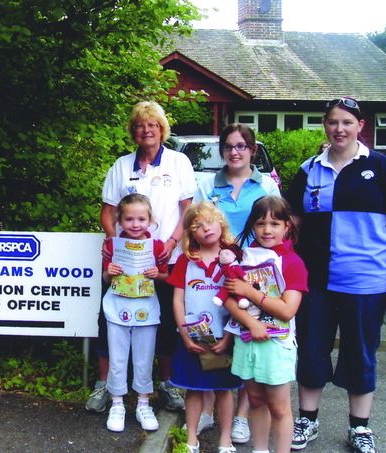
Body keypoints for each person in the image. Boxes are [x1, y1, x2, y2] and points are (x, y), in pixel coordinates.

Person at [285, 97, 386, 453]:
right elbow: (292, 220)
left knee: (361, 353)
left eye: (346, 122)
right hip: (315, 281)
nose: (339, 129)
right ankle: (307, 420)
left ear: (360, 125)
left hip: (365, 280)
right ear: (324, 126)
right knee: (311, 350)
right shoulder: (309, 168)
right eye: (332, 122)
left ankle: (360, 428)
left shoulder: (382, 167)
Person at [88, 100, 196, 414]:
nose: (146, 130)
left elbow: (186, 210)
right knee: (108, 320)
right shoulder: (121, 166)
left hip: (165, 258)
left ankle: (166, 385)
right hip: (124, 261)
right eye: (139, 125)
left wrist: (173, 240)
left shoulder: (178, 163)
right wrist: (116, 243)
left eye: (152, 125)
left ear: (162, 129)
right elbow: (107, 214)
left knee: (164, 322)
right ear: (133, 132)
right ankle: (105, 385)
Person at [193, 123, 280, 444]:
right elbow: (196, 224)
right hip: (214, 272)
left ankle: (242, 415)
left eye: (241, 146)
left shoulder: (267, 185)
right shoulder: (207, 184)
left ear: (252, 150)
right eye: (229, 146)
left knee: (247, 340)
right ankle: (207, 408)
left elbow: (278, 226)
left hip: (257, 274)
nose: (234, 152)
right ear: (222, 151)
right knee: (214, 336)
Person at [222, 196, 308, 453]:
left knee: (279, 407)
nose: (267, 230)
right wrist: (250, 322)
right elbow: (227, 298)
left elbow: (287, 309)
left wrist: (250, 292)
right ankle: (260, 449)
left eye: (274, 223)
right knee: (256, 400)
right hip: (247, 338)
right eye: (260, 224)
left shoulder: (293, 262)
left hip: (277, 344)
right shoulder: (243, 257)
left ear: (287, 227)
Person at [166, 202, 243, 453]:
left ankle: (225, 439)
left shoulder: (234, 258)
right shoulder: (185, 261)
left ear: (220, 224)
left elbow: (242, 302)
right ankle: (191, 439)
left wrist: (229, 338)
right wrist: (185, 335)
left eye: (209, 222)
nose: (205, 229)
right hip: (193, 338)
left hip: (224, 337)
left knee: (224, 391)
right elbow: (178, 300)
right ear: (190, 233)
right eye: (197, 226)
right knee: (194, 389)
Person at [102, 193, 168, 432]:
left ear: (150, 220)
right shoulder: (112, 244)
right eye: (129, 219)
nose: (135, 224)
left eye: (141, 219)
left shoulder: (157, 246)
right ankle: (117, 403)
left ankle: (143, 403)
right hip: (117, 307)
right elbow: (106, 278)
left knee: (144, 356)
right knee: (118, 357)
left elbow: (166, 277)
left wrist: (157, 275)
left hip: (146, 308)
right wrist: (109, 271)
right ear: (120, 220)